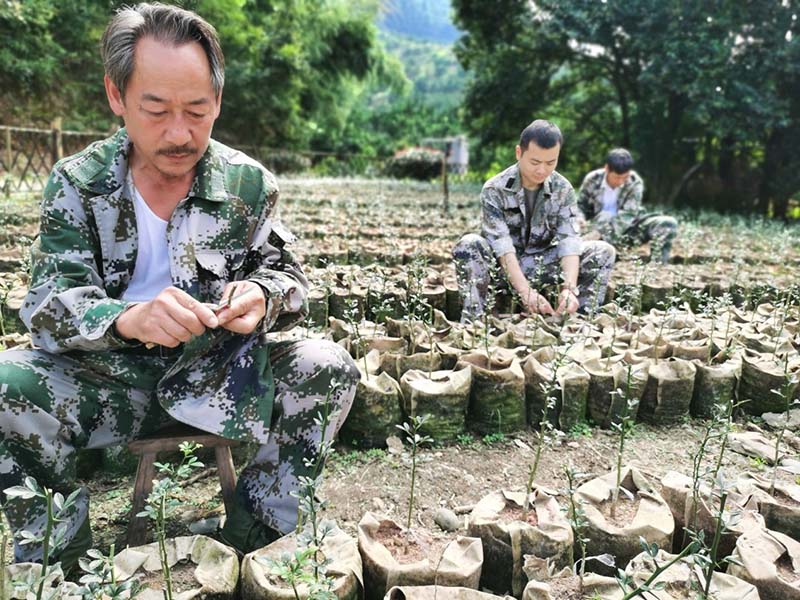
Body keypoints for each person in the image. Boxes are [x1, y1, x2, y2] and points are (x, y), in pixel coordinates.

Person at [0, 2, 358, 566]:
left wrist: (262, 296)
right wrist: (126, 319)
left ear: (218, 99)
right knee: (4, 383)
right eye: (156, 110)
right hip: (111, 381)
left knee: (327, 364)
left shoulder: (248, 184)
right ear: (117, 96)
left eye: (196, 111)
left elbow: (288, 278)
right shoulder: (78, 184)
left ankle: (260, 539)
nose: (178, 133)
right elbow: (48, 303)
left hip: (221, 375)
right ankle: (61, 562)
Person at [453, 120, 616, 321]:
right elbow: (502, 248)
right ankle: (475, 322)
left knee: (603, 251)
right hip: (502, 267)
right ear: (519, 153)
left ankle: (580, 322)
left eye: (550, 163)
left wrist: (569, 288)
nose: (542, 170)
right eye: (535, 162)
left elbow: (569, 241)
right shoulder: (494, 189)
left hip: (541, 263)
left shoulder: (563, 189)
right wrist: (525, 291)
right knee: (469, 244)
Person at [577, 148, 678, 264]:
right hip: (595, 228)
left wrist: (600, 233)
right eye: (617, 177)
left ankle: (658, 264)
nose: (620, 182)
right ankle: (596, 256)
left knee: (668, 223)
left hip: (628, 229)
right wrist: (580, 218)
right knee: (605, 215)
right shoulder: (593, 179)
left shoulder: (634, 182)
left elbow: (627, 215)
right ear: (607, 169)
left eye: (624, 178)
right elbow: (581, 205)